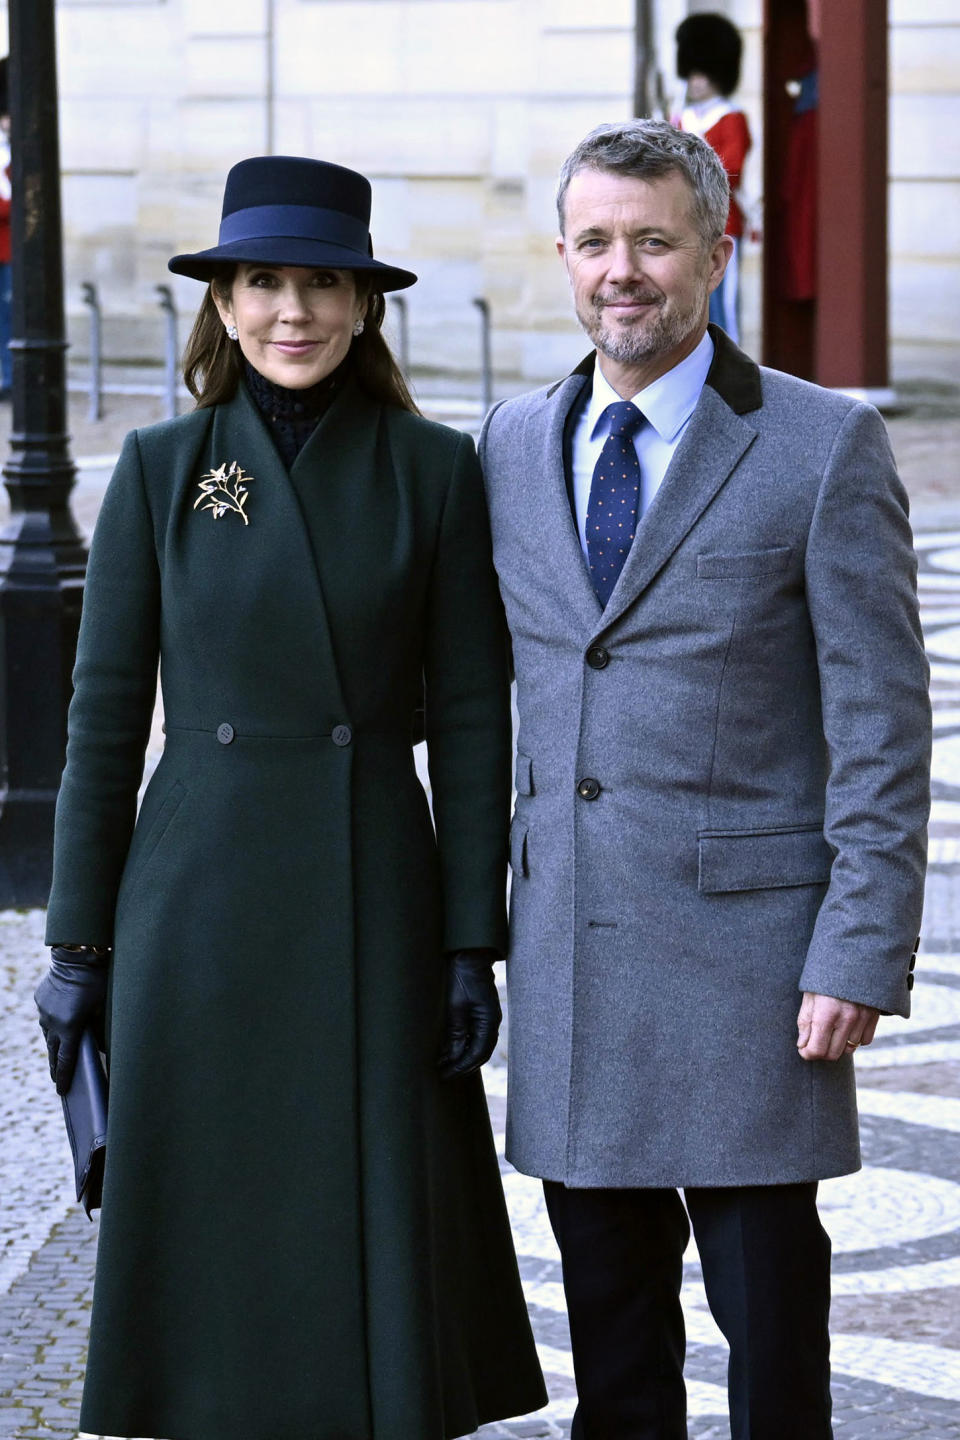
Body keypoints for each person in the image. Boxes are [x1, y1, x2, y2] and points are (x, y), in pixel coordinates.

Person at [35, 155, 546, 1440]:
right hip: (196, 899)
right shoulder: (161, 466)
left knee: (361, 1213)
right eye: (263, 283)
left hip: (372, 880)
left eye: (323, 283)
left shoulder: (434, 469)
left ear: (366, 305)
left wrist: (468, 942)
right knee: (215, 1218)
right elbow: (102, 720)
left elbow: (476, 718)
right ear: (221, 302)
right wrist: (77, 945)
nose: (292, 312)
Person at [479, 120, 929, 1440]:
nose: (625, 271)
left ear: (714, 253)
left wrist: (859, 948)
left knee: (770, 1328)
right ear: (563, 256)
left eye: (655, 241)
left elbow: (883, 728)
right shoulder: (511, 442)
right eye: (598, 242)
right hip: (572, 955)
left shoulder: (819, 445)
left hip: (752, 965)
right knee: (614, 1338)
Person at [673, 13, 752, 343]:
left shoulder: (732, 118)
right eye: (692, 73)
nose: (695, 81)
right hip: (683, 223)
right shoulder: (681, 117)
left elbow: (730, 170)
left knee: (724, 304)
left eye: (702, 73)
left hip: (724, 224)